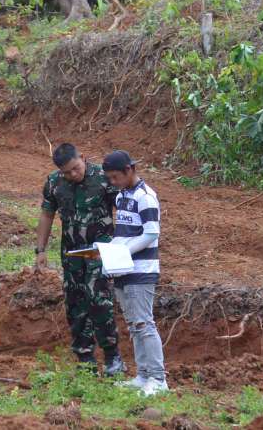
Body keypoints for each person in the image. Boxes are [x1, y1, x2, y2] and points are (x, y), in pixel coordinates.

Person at [35, 143, 125, 376]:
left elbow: (124, 210)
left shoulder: (103, 179)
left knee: (98, 298)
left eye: (76, 168)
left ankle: (112, 355)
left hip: (101, 250)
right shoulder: (55, 182)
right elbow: (47, 214)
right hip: (72, 253)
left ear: (83, 158)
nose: (73, 175)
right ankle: (85, 358)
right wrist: (40, 250)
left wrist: (125, 244)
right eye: (67, 172)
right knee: (75, 302)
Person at [102, 150, 166, 396]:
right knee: (134, 324)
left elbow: (151, 234)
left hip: (141, 270)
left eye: (116, 176)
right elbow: (124, 232)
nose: (113, 182)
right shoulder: (122, 196)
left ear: (130, 170)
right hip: (123, 268)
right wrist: (109, 253)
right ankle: (143, 376)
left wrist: (123, 251)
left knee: (144, 323)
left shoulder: (146, 197)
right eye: (110, 178)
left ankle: (158, 379)